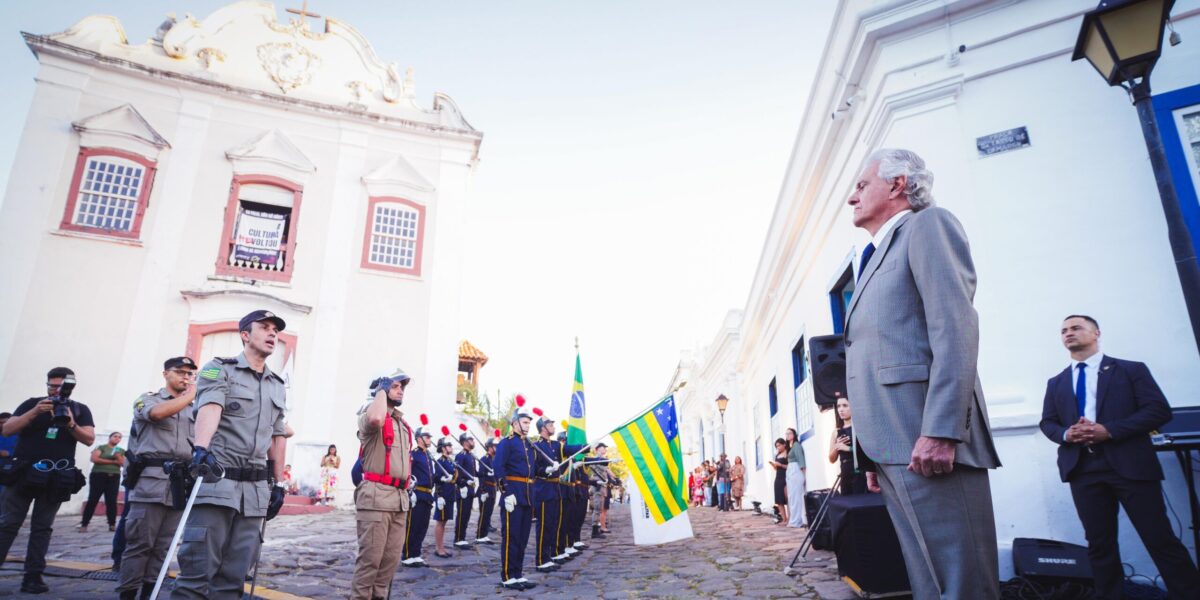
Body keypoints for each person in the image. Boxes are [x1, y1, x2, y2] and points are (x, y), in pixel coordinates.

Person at [844, 148, 1001, 599]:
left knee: (961, 581)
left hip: (927, 436)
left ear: (896, 185)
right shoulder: (874, 255)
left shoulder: (928, 226)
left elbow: (955, 329)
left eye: (860, 185)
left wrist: (942, 430)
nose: (851, 198)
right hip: (892, 443)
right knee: (928, 582)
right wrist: (869, 454)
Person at [1039, 315, 1200, 600]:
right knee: (1099, 545)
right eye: (1063, 330)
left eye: (1076, 327)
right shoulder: (1056, 382)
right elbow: (1048, 423)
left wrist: (1109, 431)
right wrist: (1067, 434)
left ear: (1096, 332)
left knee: (1159, 539)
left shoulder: (1130, 370)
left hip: (1130, 465)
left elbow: (1158, 411)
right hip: (1083, 469)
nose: (1068, 333)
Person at [171, 310, 289, 600]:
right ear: (246, 335)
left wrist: (280, 483)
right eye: (264, 327)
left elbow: (278, 434)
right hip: (218, 482)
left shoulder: (277, 384)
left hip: (255, 493)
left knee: (233, 581)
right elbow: (211, 407)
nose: (272, 334)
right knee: (195, 578)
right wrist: (200, 449)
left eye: (275, 329)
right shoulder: (218, 369)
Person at [0, 366, 95, 594]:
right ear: (47, 384)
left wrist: (71, 423)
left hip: (56, 475)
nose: (55, 390)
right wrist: (34, 412)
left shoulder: (80, 409)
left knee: (42, 528)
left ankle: (33, 577)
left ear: (70, 387)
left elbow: (89, 439)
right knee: (7, 524)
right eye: (51, 386)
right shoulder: (31, 403)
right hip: (23, 472)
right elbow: (7, 431)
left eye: (60, 386)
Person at [116, 356, 197, 600]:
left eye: (190, 374)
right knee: (140, 545)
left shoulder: (195, 407)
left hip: (180, 484)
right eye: (180, 372)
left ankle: (149, 594)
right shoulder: (148, 399)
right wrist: (189, 396)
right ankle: (127, 595)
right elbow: (156, 414)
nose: (186, 377)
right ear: (165, 374)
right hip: (151, 481)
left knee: (164, 547)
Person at [350, 370, 413, 600]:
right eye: (395, 386)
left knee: (388, 565)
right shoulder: (372, 412)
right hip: (376, 498)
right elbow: (376, 419)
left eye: (402, 387)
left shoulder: (401, 423)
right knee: (370, 564)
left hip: (398, 500)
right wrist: (379, 392)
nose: (400, 390)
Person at [493, 396, 538, 590]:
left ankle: (518, 574)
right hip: (513, 495)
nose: (528, 425)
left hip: (527, 496)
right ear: (515, 423)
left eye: (529, 422)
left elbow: (533, 471)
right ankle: (507, 575)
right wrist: (506, 493)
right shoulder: (507, 443)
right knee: (511, 537)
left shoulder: (528, 445)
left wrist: (549, 470)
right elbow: (498, 468)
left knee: (522, 538)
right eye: (525, 422)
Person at [400, 415, 435, 568]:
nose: (429, 439)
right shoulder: (413, 453)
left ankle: (416, 553)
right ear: (419, 438)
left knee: (422, 526)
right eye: (427, 436)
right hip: (417, 493)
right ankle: (407, 554)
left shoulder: (427, 455)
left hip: (427, 494)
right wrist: (409, 491)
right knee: (412, 526)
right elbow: (407, 473)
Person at [80, 431, 126, 532]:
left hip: (114, 476)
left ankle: (112, 524)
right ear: (110, 437)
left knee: (111, 500)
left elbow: (123, 463)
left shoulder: (121, 450)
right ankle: (84, 524)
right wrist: (114, 461)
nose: (117, 439)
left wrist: (118, 456)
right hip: (98, 475)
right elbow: (94, 459)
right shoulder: (101, 447)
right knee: (93, 499)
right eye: (115, 436)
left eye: (119, 437)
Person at [828, 398, 869, 495]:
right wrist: (837, 446)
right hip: (845, 474)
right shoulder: (836, 432)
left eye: (845, 405)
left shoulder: (860, 427)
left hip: (860, 473)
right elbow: (832, 459)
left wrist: (849, 449)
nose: (841, 409)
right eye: (838, 406)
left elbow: (870, 451)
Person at [432, 435, 457, 559]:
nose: (451, 447)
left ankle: (441, 547)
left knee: (444, 522)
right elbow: (436, 477)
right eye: (449, 445)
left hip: (450, 494)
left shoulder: (449, 461)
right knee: (440, 522)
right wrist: (439, 495)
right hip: (443, 494)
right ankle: (439, 548)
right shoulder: (440, 461)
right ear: (443, 448)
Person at [452, 431, 478, 549]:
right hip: (463, 490)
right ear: (465, 442)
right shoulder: (461, 455)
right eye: (470, 440)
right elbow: (456, 474)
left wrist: (484, 474)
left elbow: (473, 473)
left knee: (467, 515)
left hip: (470, 489)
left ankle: (462, 537)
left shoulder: (470, 456)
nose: (473, 442)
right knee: (462, 515)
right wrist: (463, 484)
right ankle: (458, 539)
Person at [474, 435, 498, 544]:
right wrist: (483, 490)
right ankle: (480, 535)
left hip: (493, 488)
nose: (496, 448)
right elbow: (481, 476)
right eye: (494, 446)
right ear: (489, 447)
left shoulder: (495, 459)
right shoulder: (484, 459)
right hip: (486, 488)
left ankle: (484, 535)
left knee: (488, 513)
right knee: (484, 513)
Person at [589, 443, 613, 537]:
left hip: (602, 485)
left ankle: (597, 529)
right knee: (597, 508)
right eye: (603, 448)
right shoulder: (597, 459)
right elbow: (603, 467)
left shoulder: (601, 459)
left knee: (599, 508)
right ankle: (594, 531)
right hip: (597, 485)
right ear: (597, 449)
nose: (605, 450)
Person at [784, 428, 806, 527]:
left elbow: (801, 459)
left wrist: (804, 474)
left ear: (794, 434)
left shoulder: (796, 445)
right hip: (791, 471)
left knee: (796, 496)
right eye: (786, 434)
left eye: (790, 433)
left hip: (795, 470)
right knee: (792, 497)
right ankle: (794, 519)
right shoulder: (790, 446)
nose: (788, 435)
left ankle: (796, 521)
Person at [766, 438, 788, 525]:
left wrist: (781, 465)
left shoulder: (787, 453)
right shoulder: (777, 455)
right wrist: (773, 465)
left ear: (784, 444)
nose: (778, 447)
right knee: (779, 499)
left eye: (779, 445)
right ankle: (784, 518)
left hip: (785, 476)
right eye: (776, 446)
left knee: (786, 498)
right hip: (778, 477)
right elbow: (776, 468)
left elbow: (789, 466)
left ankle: (789, 518)